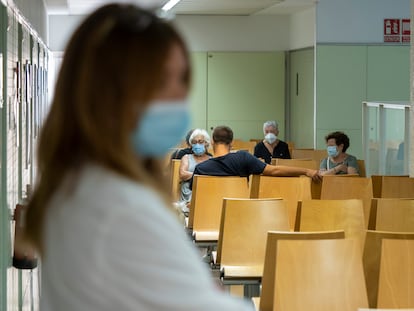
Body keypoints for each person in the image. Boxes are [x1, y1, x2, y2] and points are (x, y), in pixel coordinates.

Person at [24, 4, 253, 311]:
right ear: (108, 93)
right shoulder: (118, 207)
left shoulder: (75, 182)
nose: (178, 97)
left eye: (182, 80)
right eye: (160, 83)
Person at [191, 125, 320, 187]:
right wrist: (306, 171)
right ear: (231, 142)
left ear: (212, 142)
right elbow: (275, 170)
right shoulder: (243, 158)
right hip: (239, 215)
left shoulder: (200, 169)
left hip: (208, 219)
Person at [179, 128, 211, 205]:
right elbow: (182, 174)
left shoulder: (211, 160)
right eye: (194, 142)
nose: (197, 145)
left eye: (200, 142)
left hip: (206, 193)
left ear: (206, 143)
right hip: (188, 194)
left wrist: (191, 175)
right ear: (191, 145)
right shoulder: (186, 157)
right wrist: (200, 175)